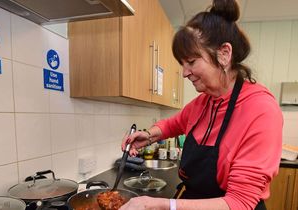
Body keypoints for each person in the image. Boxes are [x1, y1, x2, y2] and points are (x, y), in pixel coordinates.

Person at [119, 0, 283, 209]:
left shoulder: (261, 110)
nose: (185, 72)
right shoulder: (202, 103)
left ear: (224, 54)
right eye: (183, 64)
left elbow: (239, 202)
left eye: (192, 62)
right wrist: (149, 135)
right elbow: (173, 124)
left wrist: (160, 205)